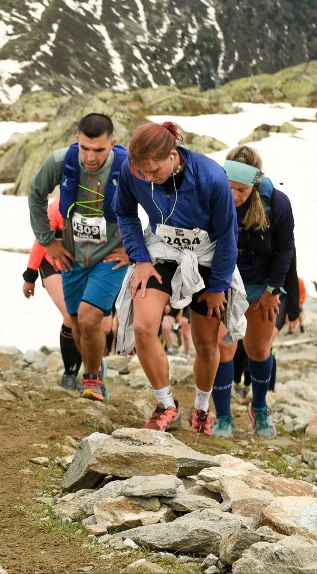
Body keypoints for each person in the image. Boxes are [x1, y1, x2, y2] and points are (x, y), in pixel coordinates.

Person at [114, 122, 245, 435]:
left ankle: (201, 407)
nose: (146, 178)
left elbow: (228, 237)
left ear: (172, 155)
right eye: (140, 171)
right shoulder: (131, 171)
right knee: (145, 326)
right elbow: (126, 214)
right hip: (162, 251)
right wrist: (140, 259)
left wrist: (217, 288)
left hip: (206, 257)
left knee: (205, 342)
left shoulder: (211, 177)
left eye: (153, 170)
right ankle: (166, 405)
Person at [27, 113, 131, 403]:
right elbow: (35, 195)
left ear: (113, 143)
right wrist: (48, 241)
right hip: (73, 257)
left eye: (98, 150)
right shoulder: (61, 162)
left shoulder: (128, 169)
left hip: (110, 257)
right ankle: (97, 368)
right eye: (85, 148)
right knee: (75, 323)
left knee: (89, 318)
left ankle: (92, 378)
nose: (90, 157)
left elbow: (156, 205)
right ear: (77, 140)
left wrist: (133, 249)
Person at [210, 146, 294, 438]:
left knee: (259, 350)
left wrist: (274, 291)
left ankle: (259, 407)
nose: (233, 196)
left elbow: (285, 251)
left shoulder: (278, 204)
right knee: (224, 349)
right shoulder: (212, 196)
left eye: (241, 190)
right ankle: (222, 417)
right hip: (224, 285)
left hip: (261, 288)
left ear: (255, 184)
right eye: (228, 187)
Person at [22, 202, 82, 390]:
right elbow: (41, 241)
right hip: (52, 264)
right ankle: (69, 375)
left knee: (84, 318)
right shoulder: (57, 207)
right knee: (71, 316)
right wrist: (30, 276)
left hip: (79, 266)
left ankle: (85, 373)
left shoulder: (99, 204)